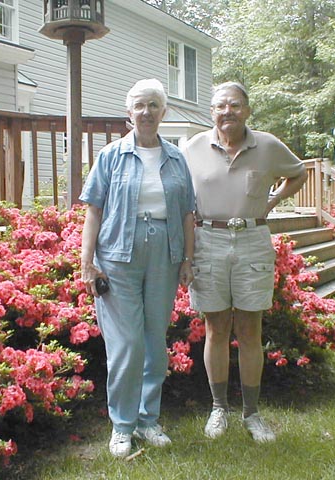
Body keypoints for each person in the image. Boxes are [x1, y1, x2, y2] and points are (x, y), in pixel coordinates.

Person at [182, 81, 308, 443]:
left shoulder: (267, 145)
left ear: (247, 110)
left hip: (252, 240)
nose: (227, 112)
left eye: (235, 105)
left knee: (251, 331)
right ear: (211, 112)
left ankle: (252, 413)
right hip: (209, 239)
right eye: (220, 106)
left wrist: (271, 202)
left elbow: (297, 172)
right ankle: (218, 408)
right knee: (216, 329)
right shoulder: (192, 148)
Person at [79, 78, 195, 458]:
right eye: (139, 106)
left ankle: (148, 419)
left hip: (164, 253)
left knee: (154, 343)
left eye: (154, 105)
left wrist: (187, 260)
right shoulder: (111, 156)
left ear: (164, 112)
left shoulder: (177, 159)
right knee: (127, 344)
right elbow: (93, 211)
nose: (146, 112)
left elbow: (188, 216)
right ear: (129, 113)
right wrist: (87, 263)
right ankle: (123, 425)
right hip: (117, 257)